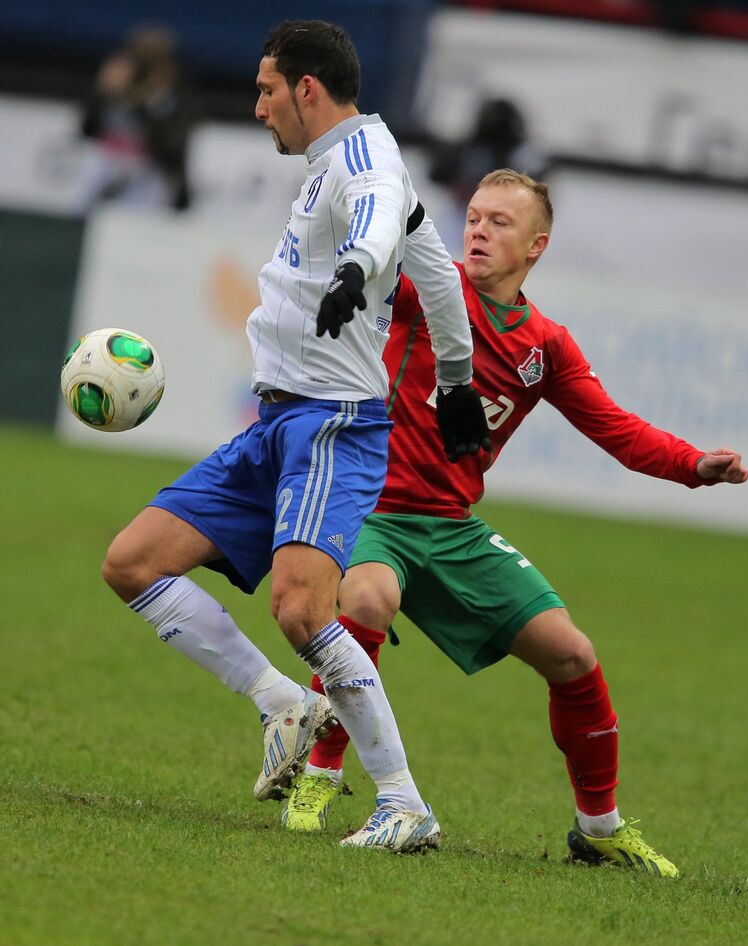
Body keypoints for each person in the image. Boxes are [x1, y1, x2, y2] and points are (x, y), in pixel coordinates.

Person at [282, 169, 748, 873]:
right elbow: (369, 256)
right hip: (373, 509)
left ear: (537, 245)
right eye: (472, 216)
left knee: (572, 654)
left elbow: (617, 430)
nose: (477, 230)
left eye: (499, 222)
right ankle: (318, 776)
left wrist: (693, 465)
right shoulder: (423, 292)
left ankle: (598, 828)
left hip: (453, 528)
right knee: (369, 598)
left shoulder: (544, 346)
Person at [100, 20, 490, 854]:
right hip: (278, 420)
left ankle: (403, 803)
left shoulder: (363, 165)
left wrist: (354, 267)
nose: (259, 108)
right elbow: (435, 275)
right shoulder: (346, 160)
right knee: (133, 563)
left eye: (268, 90)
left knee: (304, 609)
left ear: (307, 90)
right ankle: (283, 702)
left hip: (331, 423)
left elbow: (382, 219)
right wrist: (455, 377)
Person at [80, 25, 195, 211]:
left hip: (147, 180)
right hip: (104, 168)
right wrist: (101, 93)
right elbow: (86, 130)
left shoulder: (174, 96)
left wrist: (146, 104)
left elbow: (172, 147)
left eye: (155, 60)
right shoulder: (116, 87)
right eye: (142, 59)